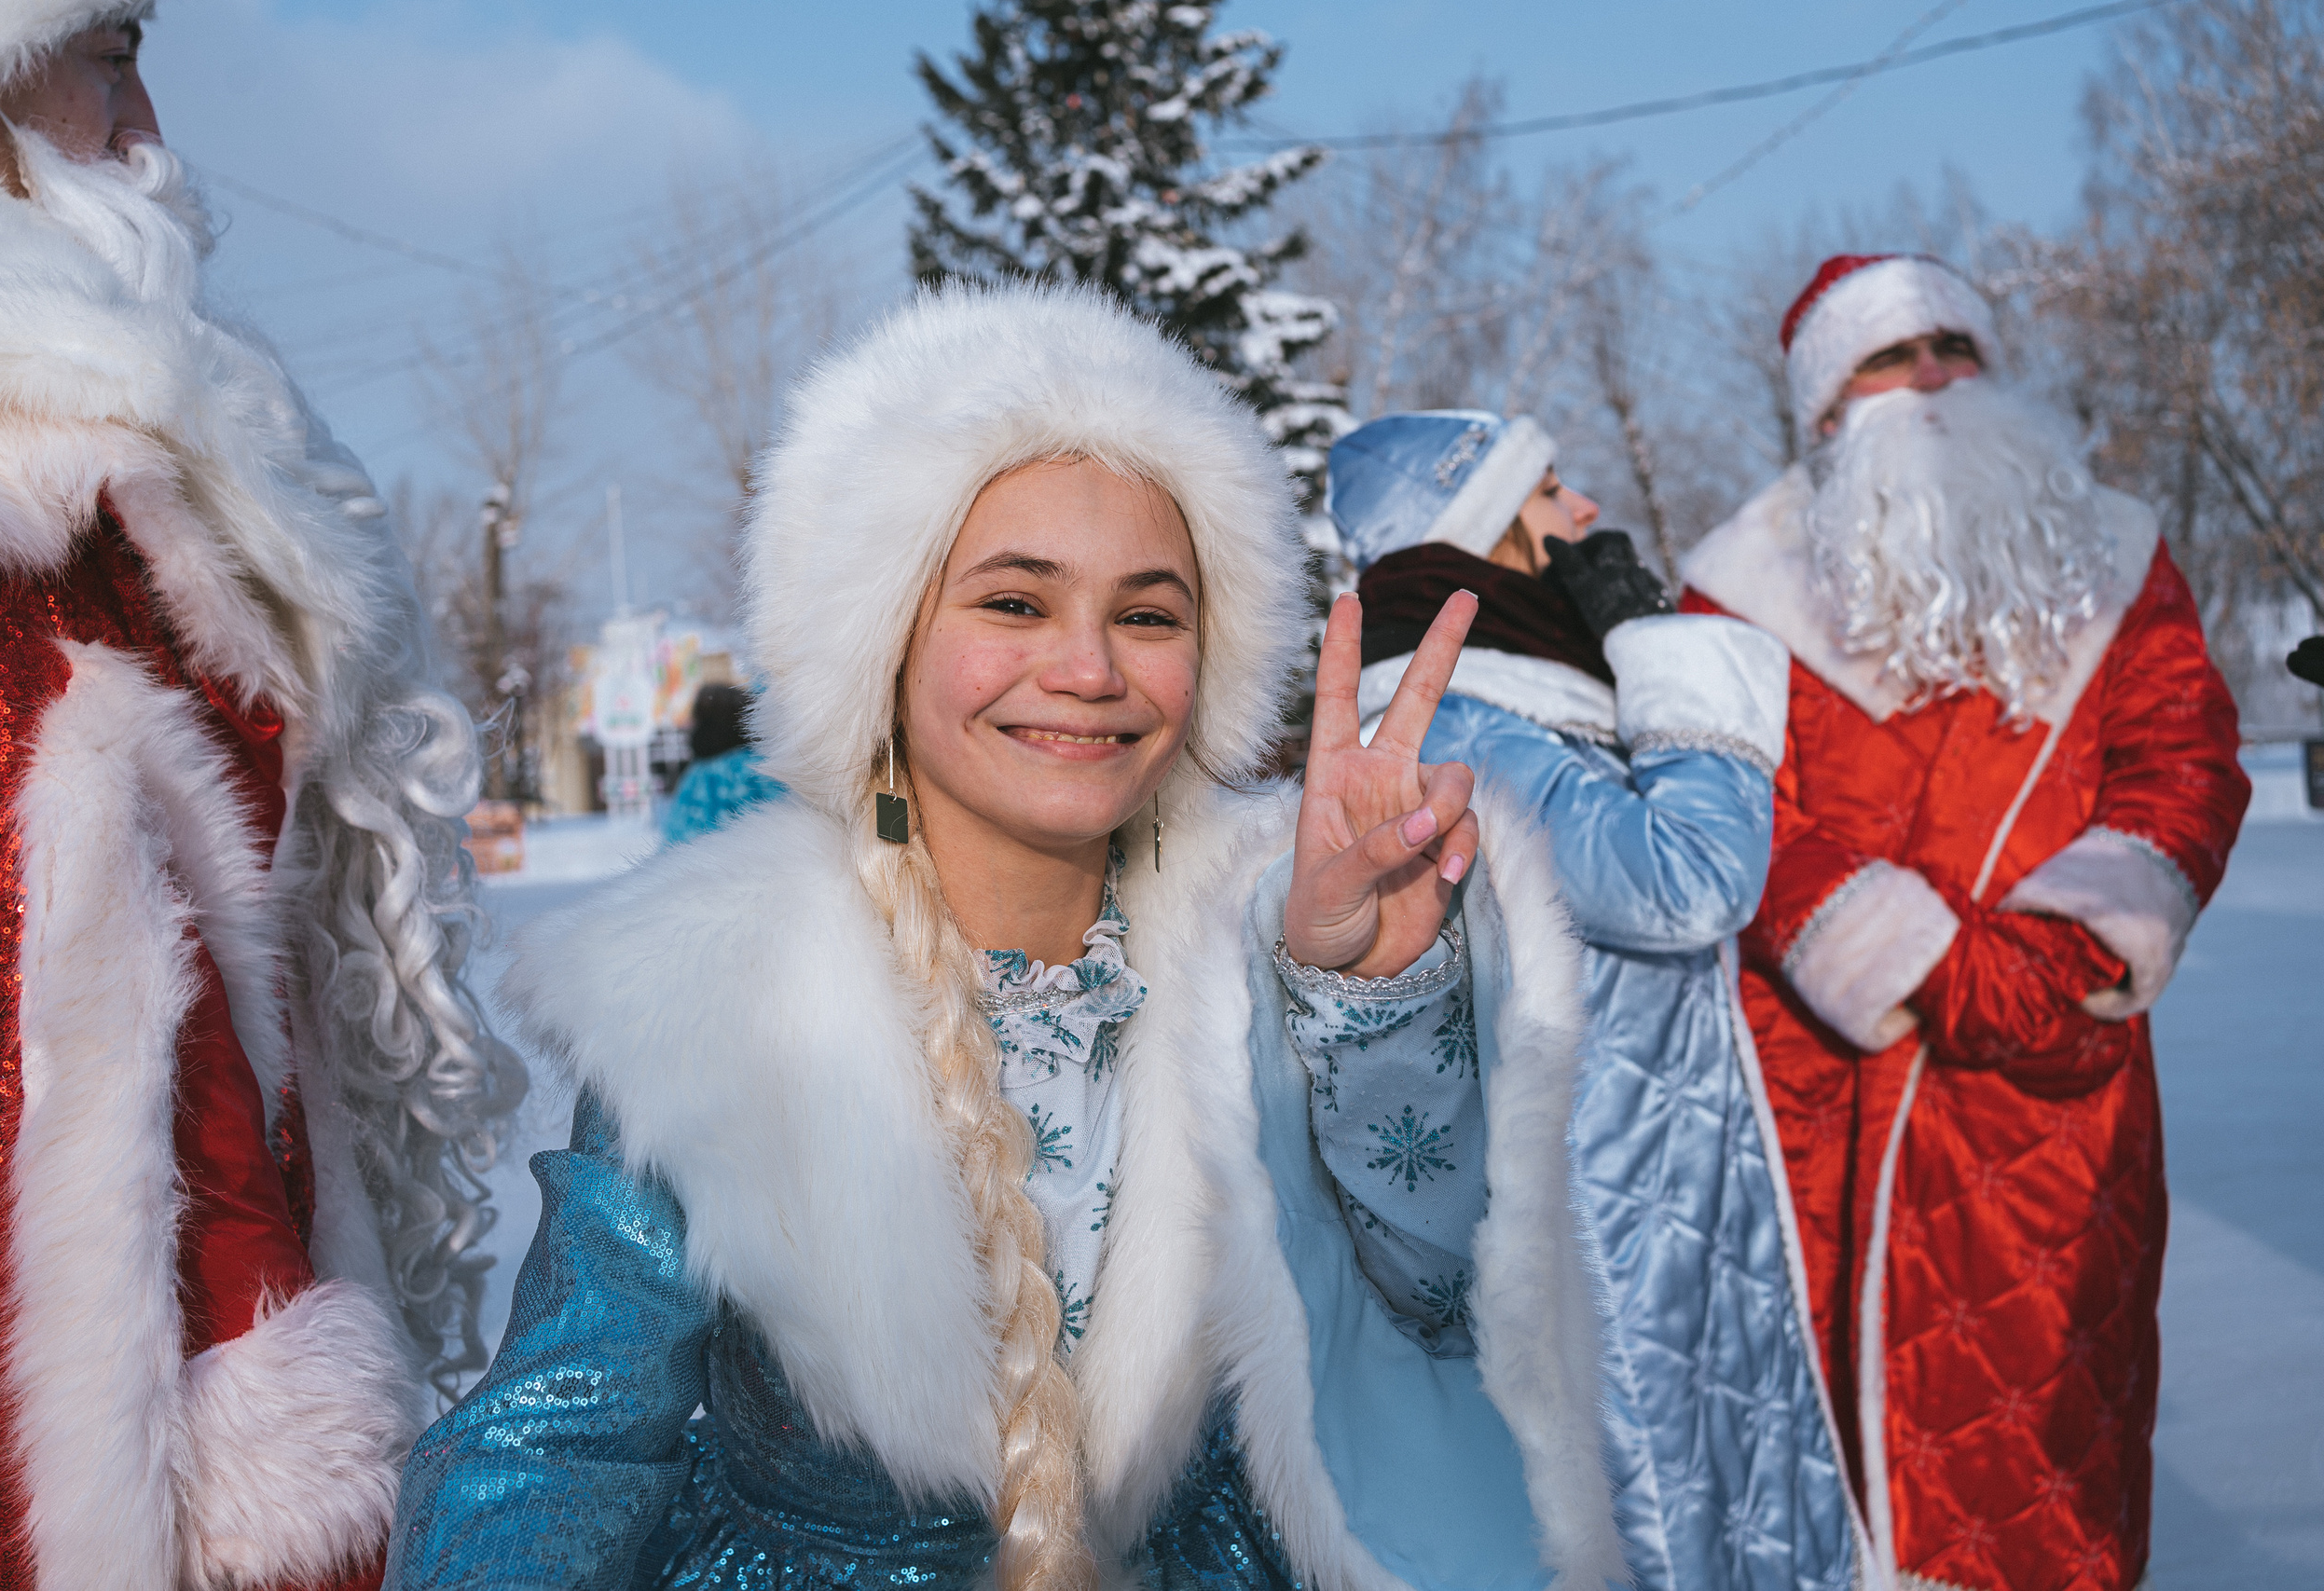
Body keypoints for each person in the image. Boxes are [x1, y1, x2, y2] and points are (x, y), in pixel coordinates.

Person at [388, 283, 1628, 1590]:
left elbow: (1430, 1339)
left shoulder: (1263, 950)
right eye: (1016, 603)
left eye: (1148, 614)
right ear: (886, 637)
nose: (1089, 667)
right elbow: (559, 1439)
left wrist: (1365, 1002)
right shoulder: (717, 991)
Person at [0, 7, 521, 1586]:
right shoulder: (13, 537)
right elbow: (105, 1057)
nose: (148, 119)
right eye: (108, 47)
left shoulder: (133, 478)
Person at [1679, 254, 2251, 1591]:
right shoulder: (1735, 583)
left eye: (1954, 345)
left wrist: (2061, 952)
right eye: (1888, 356)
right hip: (1826, 1091)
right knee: (1817, 1470)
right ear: (1827, 404)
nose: (1932, 376)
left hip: (2059, 1086)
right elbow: (1718, 794)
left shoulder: (2117, 554)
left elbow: (2185, 753)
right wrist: (1884, 938)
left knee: (2053, 1461)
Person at [1327, 411, 1853, 1591]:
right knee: (1652, 1522)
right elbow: (1685, 880)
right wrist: (1658, 644)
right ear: (1475, 529)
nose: (1582, 513)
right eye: (1549, 489)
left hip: (1657, 1194)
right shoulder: (1461, 717)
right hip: (1597, 1227)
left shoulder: (1526, 698)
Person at [660, 681, 783, 844]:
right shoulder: (757, 769)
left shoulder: (697, 774)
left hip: (690, 864)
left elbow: (675, 836)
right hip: (751, 862)